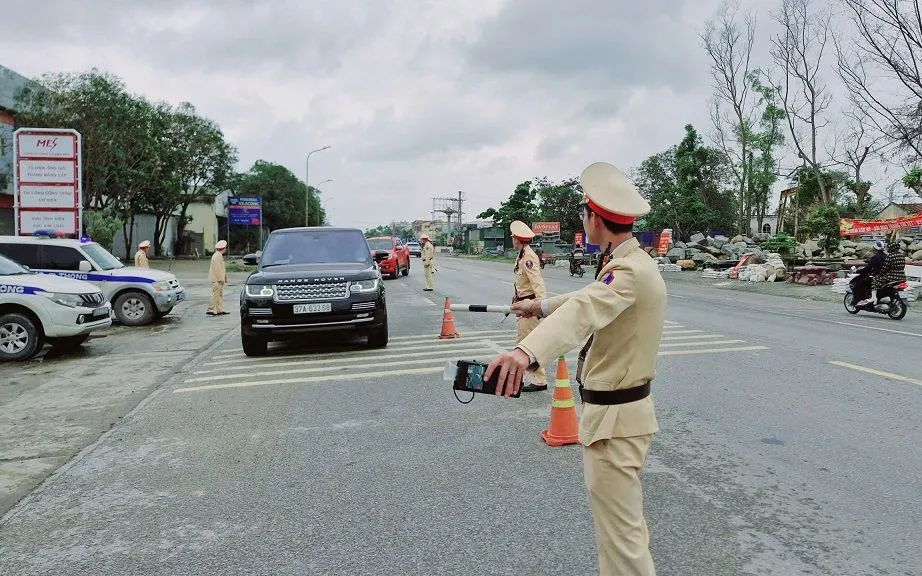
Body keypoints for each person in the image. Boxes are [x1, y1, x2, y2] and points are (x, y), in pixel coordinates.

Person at [485, 161, 666, 575]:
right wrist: (539, 305)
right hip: (618, 417)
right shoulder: (629, 264)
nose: (583, 221)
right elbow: (589, 295)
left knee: (622, 543)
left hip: (615, 422)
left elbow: (586, 308)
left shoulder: (627, 272)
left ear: (594, 220)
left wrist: (525, 352)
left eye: (584, 214)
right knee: (622, 535)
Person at [509, 220, 547, 392]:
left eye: (512, 238)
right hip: (523, 304)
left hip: (529, 307)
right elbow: (522, 282)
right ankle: (526, 378)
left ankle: (539, 380)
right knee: (525, 343)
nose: (512, 240)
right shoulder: (522, 255)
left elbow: (537, 283)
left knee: (526, 344)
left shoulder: (529, 257)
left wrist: (540, 307)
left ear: (517, 239)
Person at [858, 240, 888, 305]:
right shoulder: (887, 256)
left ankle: (873, 298)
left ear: (875, 248)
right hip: (887, 276)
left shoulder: (874, 257)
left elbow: (868, 268)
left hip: (878, 276)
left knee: (865, 282)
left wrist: (859, 271)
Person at [207, 240, 229, 316]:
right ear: (223, 248)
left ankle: (219, 310)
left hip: (218, 279)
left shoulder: (218, 255)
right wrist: (221, 279)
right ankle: (211, 309)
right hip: (217, 279)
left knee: (220, 294)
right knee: (215, 294)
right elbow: (218, 269)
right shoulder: (217, 256)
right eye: (225, 248)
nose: (226, 249)